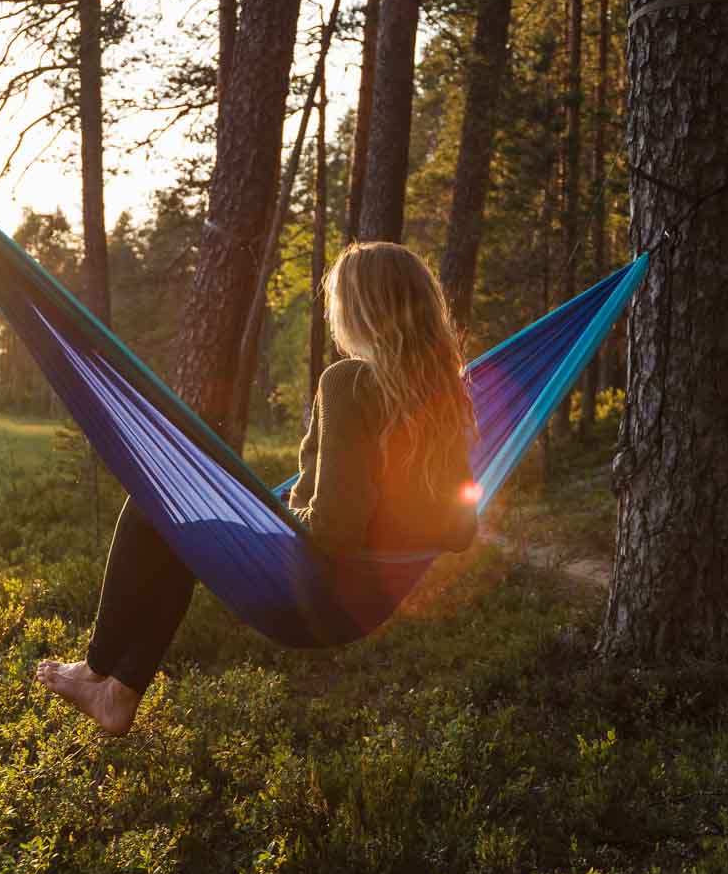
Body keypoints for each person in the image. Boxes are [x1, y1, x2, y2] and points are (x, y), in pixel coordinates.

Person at [35, 241, 478, 735]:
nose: (333, 316)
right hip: (370, 603)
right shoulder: (448, 396)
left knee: (153, 508)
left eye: (337, 303)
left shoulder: (350, 382)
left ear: (361, 310)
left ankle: (97, 668)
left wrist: (272, 519)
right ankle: (118, 694)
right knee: (183, 536)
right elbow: (461, 529)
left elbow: (335, 529)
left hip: (320, 591)